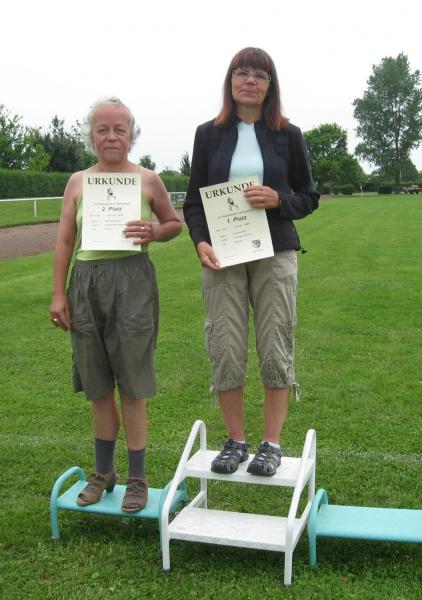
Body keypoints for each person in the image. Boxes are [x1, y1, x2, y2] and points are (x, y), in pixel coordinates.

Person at [183, 48, 319, 477]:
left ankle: (271, 444)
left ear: (269, 86)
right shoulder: (207, 135)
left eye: (259, 75)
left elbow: (308, 197)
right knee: (225, 344)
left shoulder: (288, 135)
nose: (249, 81)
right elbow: (193, 203)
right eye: (242, 73)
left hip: (275, 253)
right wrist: (200, 242)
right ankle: (236, 441)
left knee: (275, 342)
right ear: (230, 81)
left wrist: (279, 200)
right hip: (222, 256)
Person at [50, 97, 182, 511]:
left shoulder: (147, 180)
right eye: (103, 129)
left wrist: (155, 231)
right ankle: (104, 471)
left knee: (132, 383)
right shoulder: (77, 182)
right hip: (86, 282)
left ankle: (137, 477)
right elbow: (66, 240)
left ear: (131, 135)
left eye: (119, 129)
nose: (111, 136)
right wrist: (59, 292)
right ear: (91, 136)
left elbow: (174, 223)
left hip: (132, 282)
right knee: (98, 385)